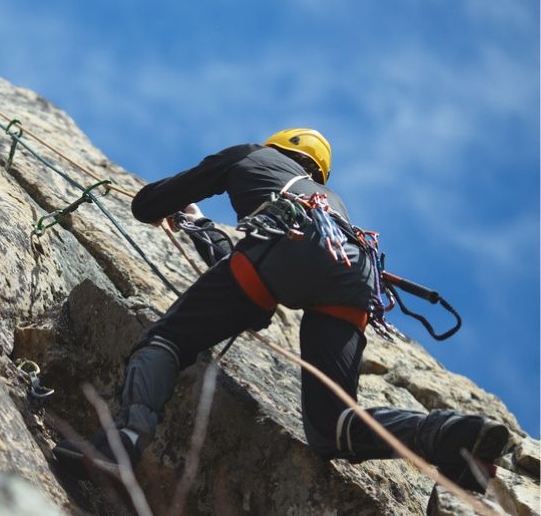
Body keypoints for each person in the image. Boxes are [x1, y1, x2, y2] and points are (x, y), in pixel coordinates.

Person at [53, 128, 511, 494]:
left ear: (280, 146)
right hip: (355, 275)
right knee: (332, 428)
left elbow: (147, 204)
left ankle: (122, 443)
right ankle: (444, 434)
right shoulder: (334, 202)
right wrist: (207, 235)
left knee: (168, 340)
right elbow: (249, 290)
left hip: (286, 245)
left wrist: (183, 211)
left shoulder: (251, 154)